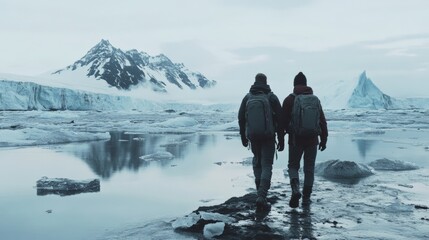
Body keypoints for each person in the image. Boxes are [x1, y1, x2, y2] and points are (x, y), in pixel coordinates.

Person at [238, 73, 285, 211]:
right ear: (266, 82)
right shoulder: (271, 97)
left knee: (257, 162)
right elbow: (281, 119)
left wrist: (243, 136)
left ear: (255, 82)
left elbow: (241, 118)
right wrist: (281, 139)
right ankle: (262, 196)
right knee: (266, 165)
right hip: (268, 136)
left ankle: (259, 192)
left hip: (253, 136)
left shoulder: (247, 97)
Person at [281, 72, 328, 208]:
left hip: (296, 140)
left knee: (293, 166)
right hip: (313, 140)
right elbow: (322, 121)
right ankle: (306, 198)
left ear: (294, 84)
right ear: (306, 84)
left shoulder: (289, 100)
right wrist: (324, 139)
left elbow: (282, 122)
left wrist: (281, 140)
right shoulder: (315, 99)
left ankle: (295, 189)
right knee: (309, 169)